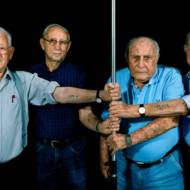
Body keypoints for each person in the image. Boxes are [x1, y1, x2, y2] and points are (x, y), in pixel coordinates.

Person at [0, 26, 120, 190]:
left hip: (73, 149)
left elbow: (81, 110)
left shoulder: (77, 74)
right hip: (41, 150)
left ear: (68, 46)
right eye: (53, 41)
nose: (58, 46)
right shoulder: (30, 73)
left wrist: (99, 123)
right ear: (42, 43)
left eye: (63, 42)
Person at [80, 36, 185, 190]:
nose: (141, 64)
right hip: (124, 167)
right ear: (126, 58)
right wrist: (104, 158)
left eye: (147, 58)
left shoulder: (171, 76)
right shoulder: (116, 78)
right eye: (135, 57)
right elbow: (107, 121)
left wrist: (129, 139)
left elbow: (171, 120)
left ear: (157, 58)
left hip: (164, 169)